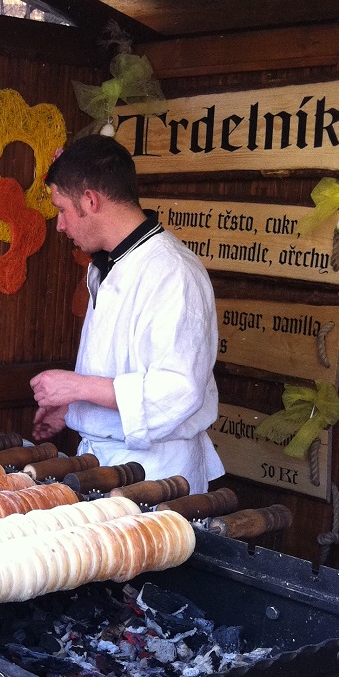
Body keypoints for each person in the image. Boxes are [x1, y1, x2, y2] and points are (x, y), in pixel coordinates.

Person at [30, 135, 224, 494]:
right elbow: (118, 363)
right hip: (103, 465)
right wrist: (75, 409)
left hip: (157, 477)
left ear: (90, 200)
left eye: (62, 210)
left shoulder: (173, 273)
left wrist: (77, 387)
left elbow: (177, 390)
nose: (59, 225)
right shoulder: (110, 263)